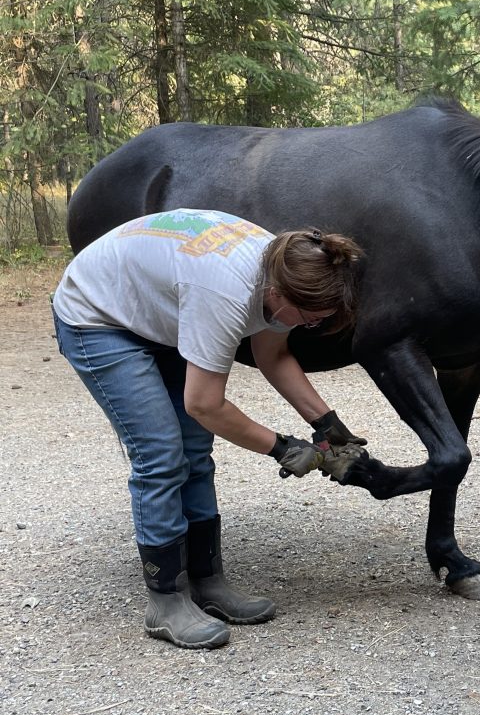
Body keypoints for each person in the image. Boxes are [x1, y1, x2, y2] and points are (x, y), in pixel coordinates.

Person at [52, 208, 367, 650]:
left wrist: (328, 426)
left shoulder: (285, 269)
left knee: (195, 451)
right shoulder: (225, 293)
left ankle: (207, 581)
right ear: (277, 293)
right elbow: (205, 404)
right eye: (308, 317)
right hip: (98, 316)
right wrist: (282, 448)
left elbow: (272, 356)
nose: (309, 326)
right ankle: (165, 599)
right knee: (161, 453)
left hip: (159, 310)